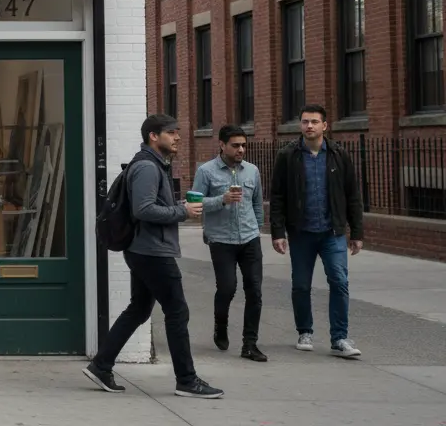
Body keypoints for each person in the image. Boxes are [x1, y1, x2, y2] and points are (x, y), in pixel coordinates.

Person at [84, 114, 223, 399]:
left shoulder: (151, 164)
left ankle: (101, 365)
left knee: (139, 309)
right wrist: (182, 212)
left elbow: (149, 206)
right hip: (152, 252)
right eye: (172, 133)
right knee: (177, 311)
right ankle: (186, 380)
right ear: (153, 136)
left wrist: (179, 207)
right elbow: (143, 209)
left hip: (143, 249)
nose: (178, 138)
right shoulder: (147, 167)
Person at [270, 104, 364, 358]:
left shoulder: (339, 154)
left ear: (325, 125)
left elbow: (352, 195)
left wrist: (356, 232)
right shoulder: (287, 155)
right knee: (301, 285)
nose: (309, 126)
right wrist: (277, 232)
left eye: (314, 121)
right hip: (301, 233)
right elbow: (277, 196)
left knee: (340, 282)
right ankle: (305, 331)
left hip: (332, 233)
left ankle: (340, 338)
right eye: (304, 122)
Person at [192, 125, 267, 362]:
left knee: (254, 290)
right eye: (235, 145)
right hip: (221, 239)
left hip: (249, 238)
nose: (241, 150)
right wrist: (221, 200)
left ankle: (250, 344)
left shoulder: (252, 171)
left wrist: (258, 228)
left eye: (243, 145)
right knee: (227, 288)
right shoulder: (206, 171)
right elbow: (195, 203)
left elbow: (257, 203)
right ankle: (220, 325)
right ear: (222, 145)